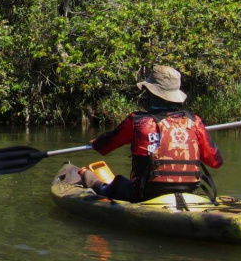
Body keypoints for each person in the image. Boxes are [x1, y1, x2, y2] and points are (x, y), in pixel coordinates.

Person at [80, 65, 223, 202]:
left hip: (145, 195)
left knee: (118, 183)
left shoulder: (138, 121)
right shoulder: (194, 122)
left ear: (151, 93)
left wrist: (97, 143)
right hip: (188, 191)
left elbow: (106, 146)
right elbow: (216, 162)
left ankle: (91, 180)